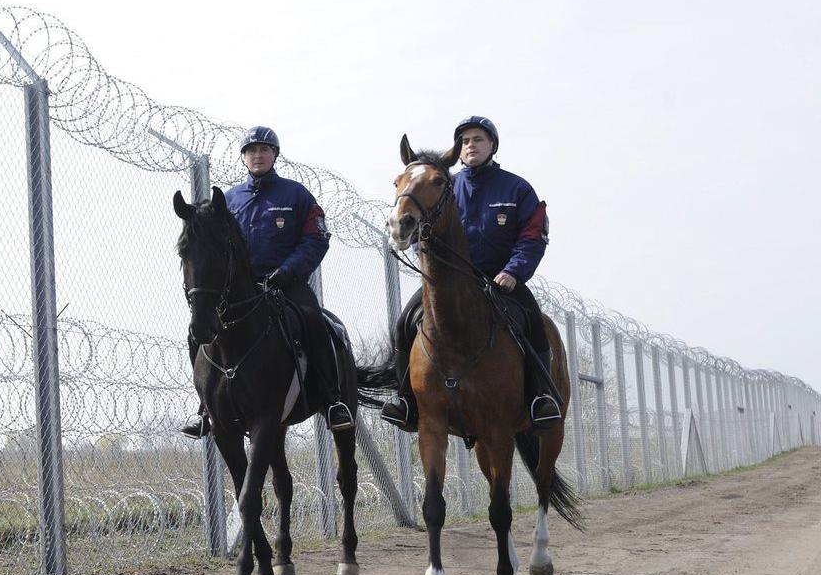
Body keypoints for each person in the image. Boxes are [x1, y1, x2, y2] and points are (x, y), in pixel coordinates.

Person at [380, 115, 562, 430]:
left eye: (478, 139)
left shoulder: (517, 188)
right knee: (403, 323)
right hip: (449, 282)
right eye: (465, 141)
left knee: (534, 321)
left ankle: (540, 397)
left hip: (502, 279)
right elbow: (421, 229)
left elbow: (533, 236)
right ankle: (404, 400)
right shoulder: (442, 185)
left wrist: (513, 272)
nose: (470, 145)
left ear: (492, 145)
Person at [183, 125, 354, 437]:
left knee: (315, 320)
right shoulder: (229, 200)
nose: (257, 155)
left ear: (274, 155)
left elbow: (316, 238)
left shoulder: (296, 195)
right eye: (251, 150)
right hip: (237, 292)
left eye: (264, 149)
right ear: (244, 158)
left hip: (285, 284)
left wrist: (288, 271)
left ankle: (332, 401)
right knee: (197, 331)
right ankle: (206, 409)